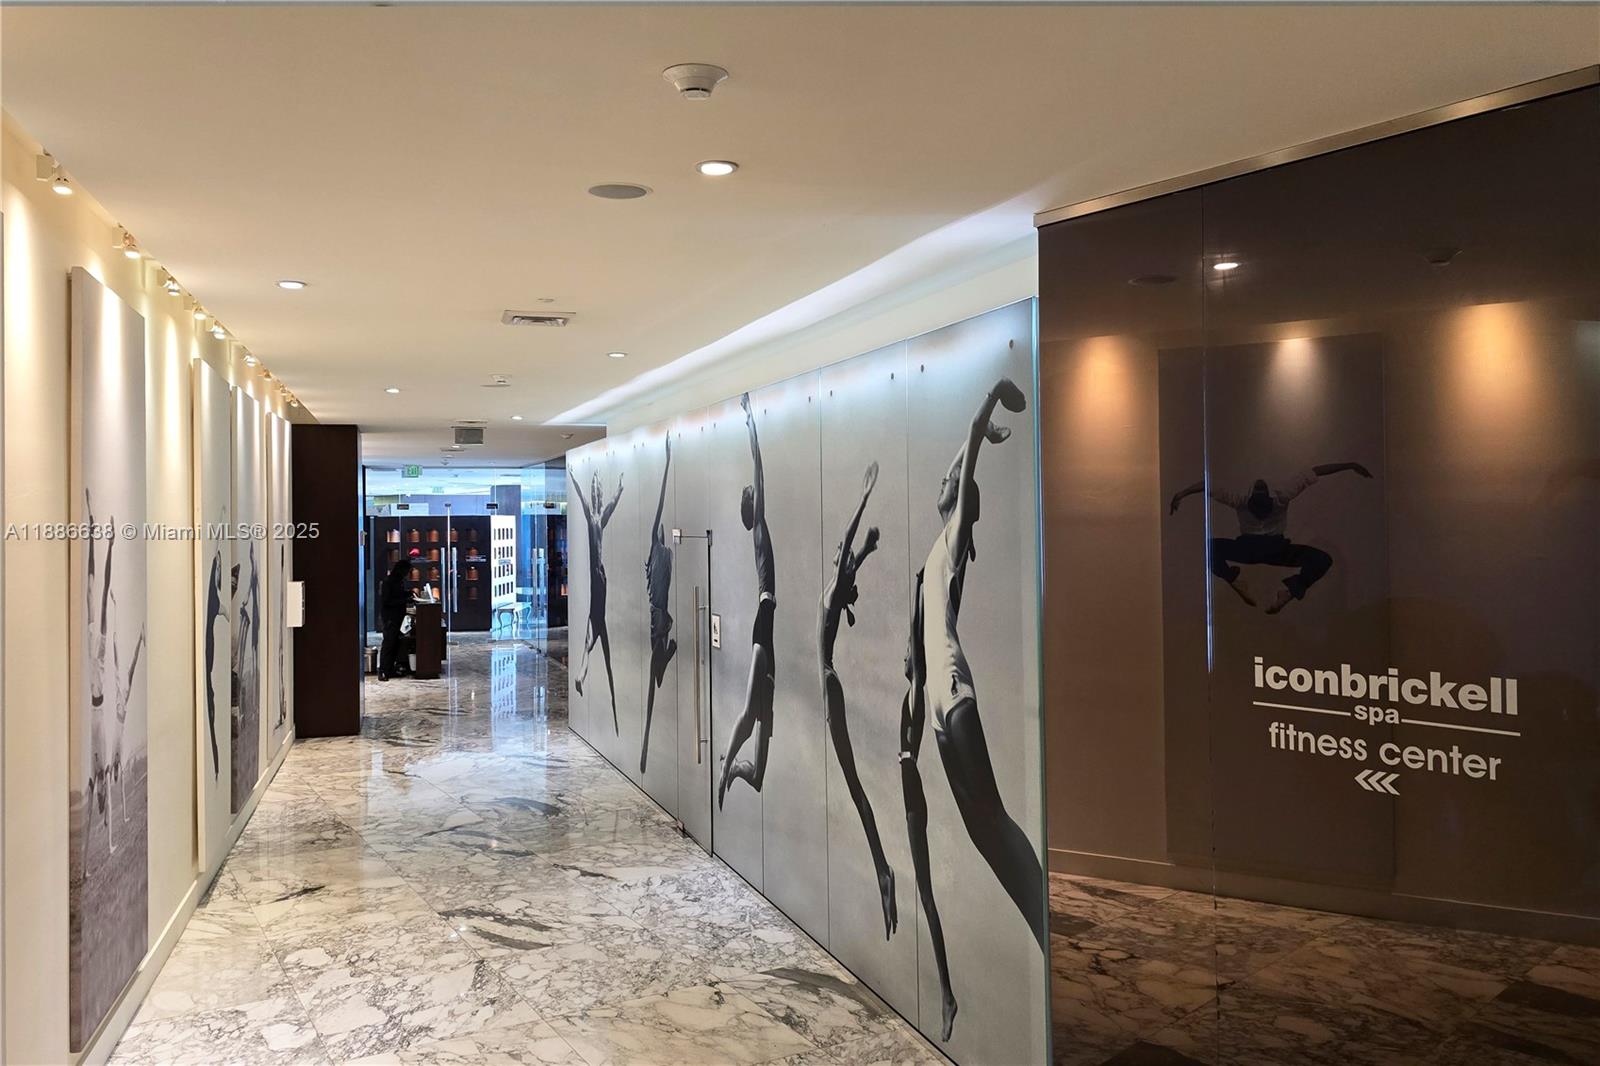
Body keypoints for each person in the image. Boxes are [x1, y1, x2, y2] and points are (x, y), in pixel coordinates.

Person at [903, 377, 1045, 1042]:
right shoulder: (936, 551)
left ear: (961, 502)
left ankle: (1046, 919)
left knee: (996, 818)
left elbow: (964, 470)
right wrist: (976, 439)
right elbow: (959, 466)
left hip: (955, 687)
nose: (944, 480)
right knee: (983, 835)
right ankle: (1041, 922)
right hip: (935, 703)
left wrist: (986, 405)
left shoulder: (956, 538)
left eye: (951, 482)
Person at [821, 460, 896, 939]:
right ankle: (883, 869)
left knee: (853, 786)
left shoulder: (834, 595)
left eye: (841, 553)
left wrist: (864, 497)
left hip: (830, 683)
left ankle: (883, 871)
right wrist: (865, 550)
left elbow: (848, 545)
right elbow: (852, 556)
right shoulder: (838, 588)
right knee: (853, 786)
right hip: (830, 684)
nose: (838, 550)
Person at [1169, 461, 1372, 613]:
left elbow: (1206, 486)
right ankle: (1281, 588)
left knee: (1323, 559)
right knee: (1322, 559)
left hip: (1256, 549)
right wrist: (1349, 465)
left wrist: (1182, 493)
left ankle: (1282, 590)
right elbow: (1315, 471)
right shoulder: (1273, 498)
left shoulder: (1253, 500)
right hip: (1270, 549)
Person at [718, 393, 777, 807]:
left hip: (768, 618)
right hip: (763, 618)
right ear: (752, 506)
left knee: (764, 716)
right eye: (752, 492)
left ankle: (745, 770)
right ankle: (727, 767)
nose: (755, 489)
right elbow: (759, 466)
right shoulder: (758, 527)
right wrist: (751, 419)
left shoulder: (759, 530)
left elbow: (758, 475)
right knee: (750, 707)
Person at [571, 467, 624, 732]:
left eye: (596, 488)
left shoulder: (598, 517)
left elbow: (611, 504)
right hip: (598, 581)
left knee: (595, 642)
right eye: (593, 488)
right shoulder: (594, 517)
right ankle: (581, 674)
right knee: (595, 641)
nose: (594, 492)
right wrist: (574, 479)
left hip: (599, 581)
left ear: (599, 493)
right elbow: (584, 499)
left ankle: (583, 674)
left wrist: (620, 489)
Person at [641, 438, 678, 774]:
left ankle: (663, 662)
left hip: (662, 612)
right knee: (657, 656)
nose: (663, 528)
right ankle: (662, 662)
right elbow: (660, 503)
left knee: (660, 655)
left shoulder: (666, 553)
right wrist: (666, 462)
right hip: (657, 612)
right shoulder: (657, 547)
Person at [377, 553, 414, 681]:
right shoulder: (388, 582)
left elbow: (398, 595)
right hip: (390, 618)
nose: (407, 574)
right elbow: (387, 601)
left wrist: (407, 594)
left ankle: (390, 669)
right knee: (388, 643)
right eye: (406, 571)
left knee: (395, 643)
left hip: (398, 617)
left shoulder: (399, 582)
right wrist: (404, 600)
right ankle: (383, 671)